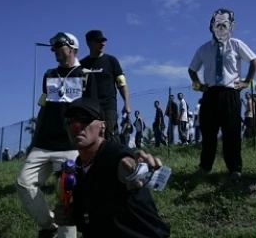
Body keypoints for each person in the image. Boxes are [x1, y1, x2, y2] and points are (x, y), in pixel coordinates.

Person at [16, 32, 98, 238]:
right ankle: (48, 226)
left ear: (72, 48)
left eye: (59, 47)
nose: (54, 51)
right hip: (43, 143)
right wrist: (34, 140)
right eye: (53, 48)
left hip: (70, 146)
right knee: (23, 182)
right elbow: (44, 107)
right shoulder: (49, 74)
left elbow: (94, 111)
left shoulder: (86, 75)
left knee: (66, 197)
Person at [53, 97, 170, 238]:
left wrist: (135, 171)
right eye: (69, 120)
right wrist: (70, 217)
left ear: (103, 126)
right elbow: (89, 217)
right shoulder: (77, 168)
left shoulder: (114, 154)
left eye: (84, 118)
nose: (76, 125)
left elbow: (125, 163)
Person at [188, 8, 256, 181]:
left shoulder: (236, 44)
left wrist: (246, 82)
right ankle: (205, 166)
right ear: (211, 27)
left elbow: (254, 61)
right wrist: (199, 86)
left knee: (232, 132)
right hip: (210, 94)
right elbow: (192, 69)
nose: (219, 28)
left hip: (230, 93)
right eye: (216, 25)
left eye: (223, 25)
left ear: (230, 27)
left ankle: (234, 168)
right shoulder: (203, 49)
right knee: (208, 132)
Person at [80, 30, 131, 143]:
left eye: (103, 41)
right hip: (88, 109)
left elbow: (121, 83)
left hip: (108, 107)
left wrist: (127, 103)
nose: (102, 44)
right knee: (90, 139)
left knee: (110, 137)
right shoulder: (81, 65)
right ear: (89, 43)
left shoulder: (111, 61)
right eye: (98, 41)